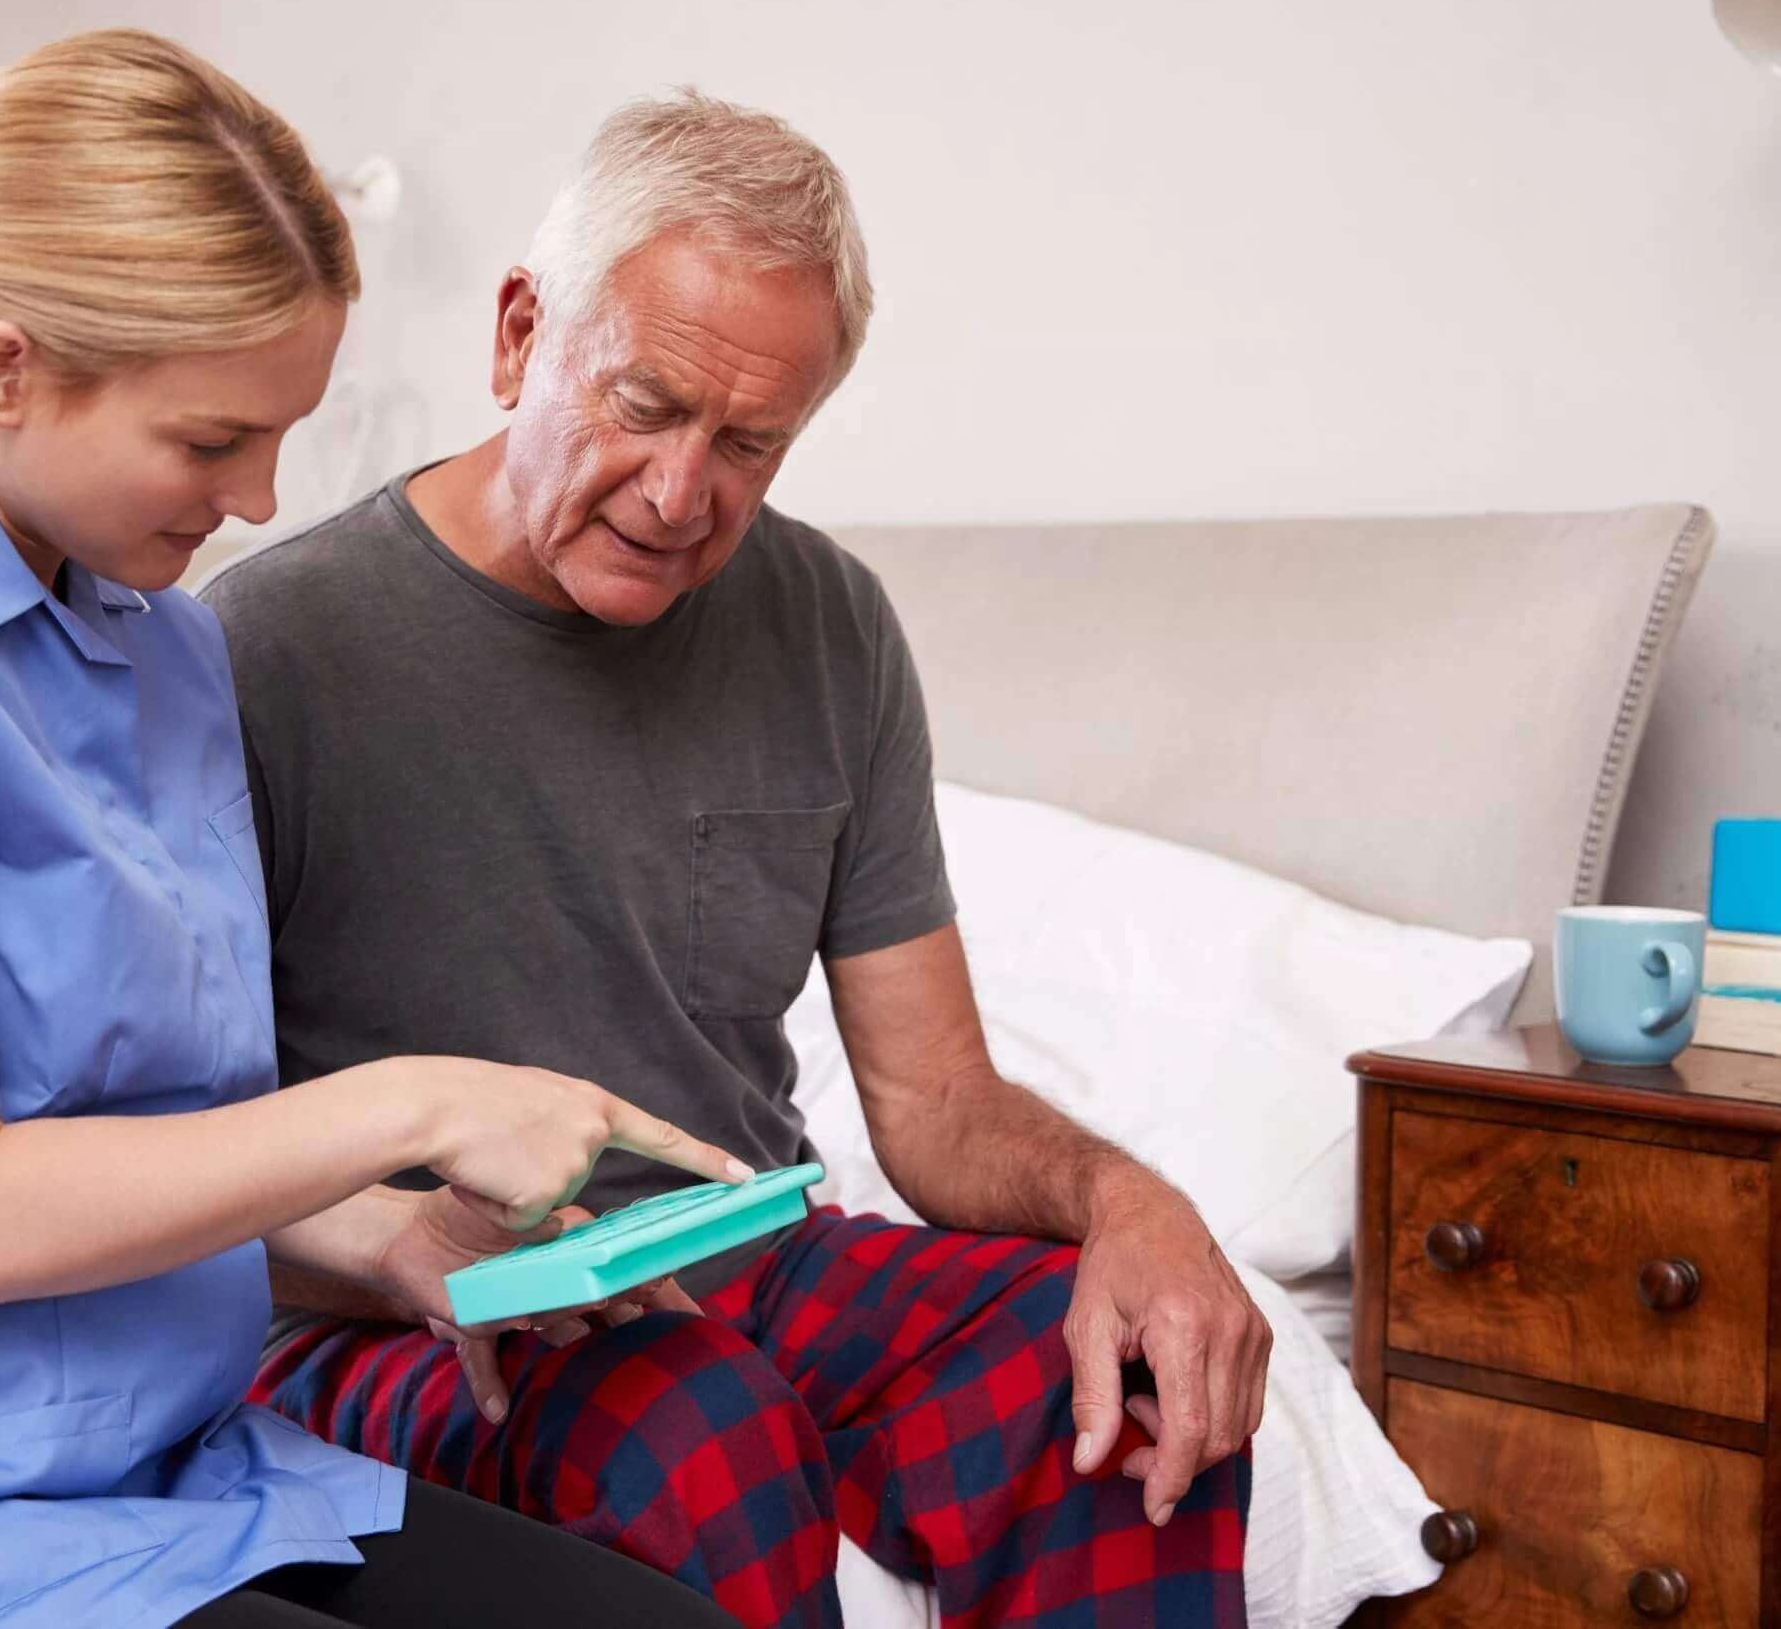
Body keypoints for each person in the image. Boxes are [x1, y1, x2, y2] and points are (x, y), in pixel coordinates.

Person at [0, 29, 745, 1629]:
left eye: (277, 436)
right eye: (209, 442)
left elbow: (119, 1120)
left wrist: (393, 1233)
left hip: (149, 1473)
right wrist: (419, 1101)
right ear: (6, 371)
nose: (257, 501)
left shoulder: (160, 643)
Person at [204, 90, 1271, 1629]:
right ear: (519, 337)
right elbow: (177, 1148)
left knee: (1113, 1364)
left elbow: (937, 1105)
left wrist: (1129, 1203)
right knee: (696, 1424)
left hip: (736, 1260)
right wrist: (407, 1254)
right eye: (645, 405)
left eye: (750, 443)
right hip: (407, 1307)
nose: (681, 493)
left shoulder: (832, 629)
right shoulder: (266, 650)